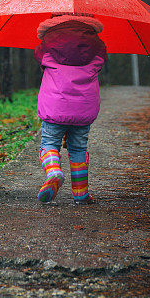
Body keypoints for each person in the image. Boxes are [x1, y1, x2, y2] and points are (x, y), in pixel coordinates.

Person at [34, 14, 107, 205]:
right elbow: (101, 61)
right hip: (83, 110)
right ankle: (81, 194)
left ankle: (54, 172)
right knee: (78, 149)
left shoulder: (47, 47)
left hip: (54, 108)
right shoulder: (97, 47)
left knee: (49, 143)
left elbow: (39, 57)